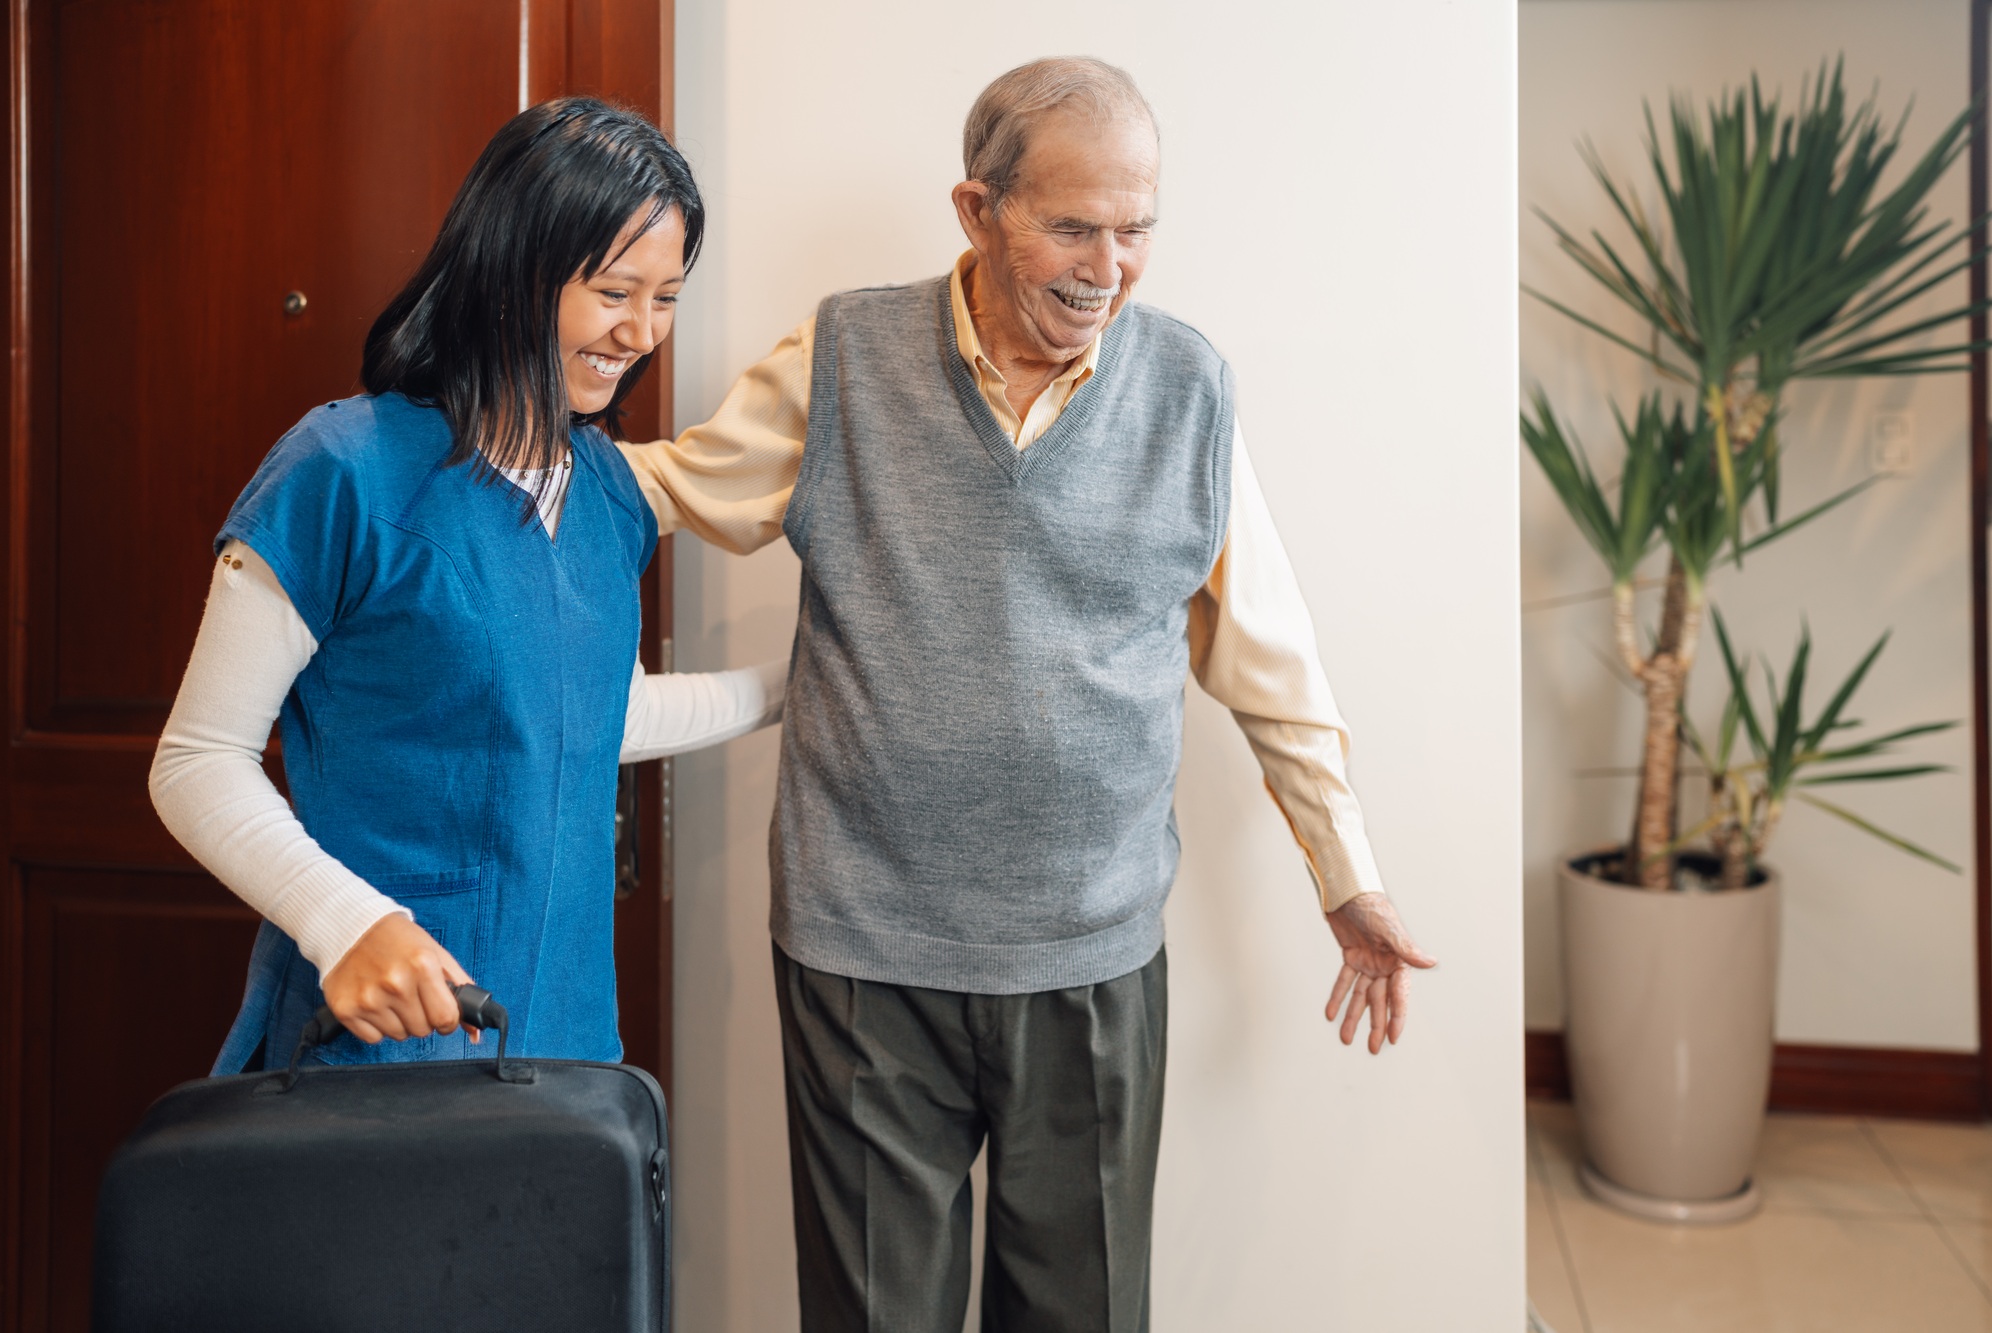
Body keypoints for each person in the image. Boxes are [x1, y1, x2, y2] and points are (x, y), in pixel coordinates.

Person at [618, 57, 1437, 1333]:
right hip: (862, 954)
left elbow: (1268, 661)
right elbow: (664, 491)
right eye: (1071, 226)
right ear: (975, 210)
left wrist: (1348, 876)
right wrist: (483, 462)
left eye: (1136, 228)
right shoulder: (844, 355)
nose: (1106, 266)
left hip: (1090, 956)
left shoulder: (1186, 391)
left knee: (1081, 1316)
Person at [151, 97, 782, 1073]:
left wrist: (792, 688)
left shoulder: (609, 491)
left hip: (563, 1034)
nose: (641, 332)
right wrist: (346, 923)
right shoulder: (342, 471)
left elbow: (578, 716)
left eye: (666, 298)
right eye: (616, 291)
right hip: (377, 1039)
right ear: (512, 272)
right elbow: (196, 761)